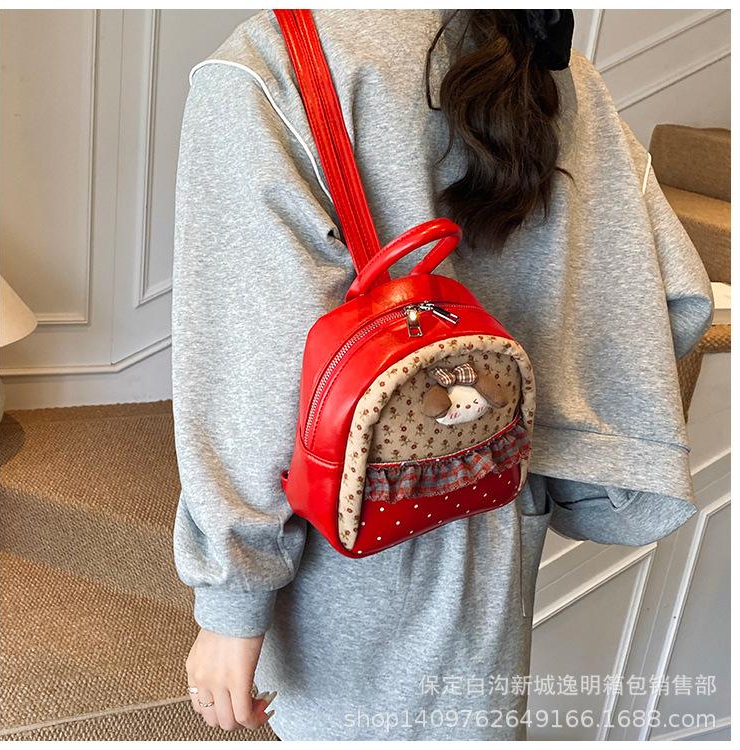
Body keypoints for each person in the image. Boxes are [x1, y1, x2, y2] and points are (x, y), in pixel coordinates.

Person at [170, 9, 713, 741]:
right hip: (498, 512)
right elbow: (675, 299)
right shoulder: (553, 64)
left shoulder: (270, 66)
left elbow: (250, 371)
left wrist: (231, 601)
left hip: (347, 548)